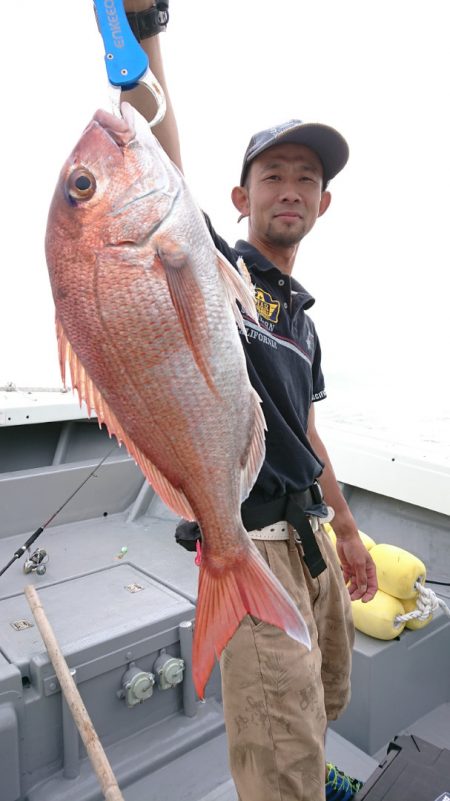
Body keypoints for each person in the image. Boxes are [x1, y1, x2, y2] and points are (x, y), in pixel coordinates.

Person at [113, 4, 378, 799]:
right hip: (251, 542)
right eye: (274, 175)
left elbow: (307, 433)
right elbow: (150, 159)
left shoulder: (300, 318)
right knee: (276, 753)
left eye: (308, 179)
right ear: (240, 193)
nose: (291, 190)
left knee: (326, 691)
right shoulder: (207, 270)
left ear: (324, 203)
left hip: (312, 537)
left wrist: (351, 532)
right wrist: (145, 28)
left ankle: (314, 763)